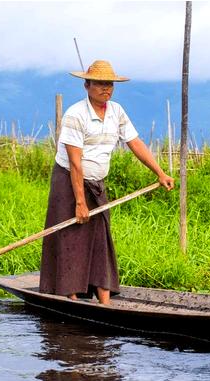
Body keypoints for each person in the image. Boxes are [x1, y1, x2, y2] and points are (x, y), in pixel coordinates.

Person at [39, 60, 174, 305]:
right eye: (100, 84)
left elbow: (135, 143)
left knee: (100, 237)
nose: (106, 89)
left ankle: (104, 301)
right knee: (71, 237)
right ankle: (70, 297)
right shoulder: (75, 115)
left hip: (97, 182)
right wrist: (80, 202)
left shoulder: (116, 112)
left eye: (110, 84)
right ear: (87, 85)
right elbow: (76, 163)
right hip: (69, 183)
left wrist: (160, 172)